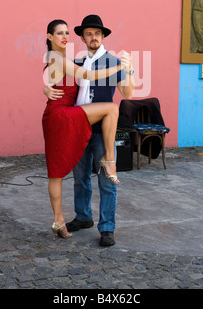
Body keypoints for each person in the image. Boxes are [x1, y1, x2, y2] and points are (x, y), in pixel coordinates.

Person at [44, 15, 135, 246]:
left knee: (106, 180)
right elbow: (59, 80)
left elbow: (127, 93)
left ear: (103, 36)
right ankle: (83, 217)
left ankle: (107, 228)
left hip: (101, 129)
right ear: (83, 38)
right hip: (76, 125)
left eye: (97, 33)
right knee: (80, 178)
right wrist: (47, 89)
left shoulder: (113, 61)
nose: (93, 37)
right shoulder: (78, 60)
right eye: (88, 33)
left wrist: (130, 70)